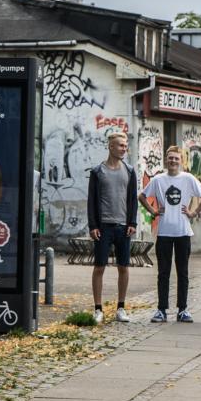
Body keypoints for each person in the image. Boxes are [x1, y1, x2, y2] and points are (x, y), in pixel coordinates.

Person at [138, 146, 201, 323]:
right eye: (170, 158)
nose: (173, 161)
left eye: (176, 158)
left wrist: (194, 212)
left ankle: (183, 309)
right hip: (164, 232)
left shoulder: (188, 178)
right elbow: (142, 196)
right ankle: (161, 310)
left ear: (181, 161)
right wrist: (153, 211)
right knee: (163, 272)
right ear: (166, 160)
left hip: (183, 231)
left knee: (183, 272)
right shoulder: (158, 180)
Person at [87, 132, 138, 323]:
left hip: (123, 227)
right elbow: (91, 200)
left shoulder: (130, 171)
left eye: (125, 146)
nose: (124, 149)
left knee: (123, 267)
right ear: (111, 147)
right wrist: (93, 225)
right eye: (120, 146)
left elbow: (133, 198)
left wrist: (132, 222)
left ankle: (121, 308)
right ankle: (98, 309)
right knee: (99, 267)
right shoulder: (97, 172)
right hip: (103, 227)